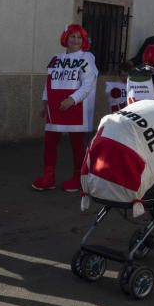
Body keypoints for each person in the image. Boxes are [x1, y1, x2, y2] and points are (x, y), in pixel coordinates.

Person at [27, 24, 97, 192]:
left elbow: (88, 84)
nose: (76, 40)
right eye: (72, 36)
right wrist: (45, 103)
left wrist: (72, 99)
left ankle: (78, 178)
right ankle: (48, 177)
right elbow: (49, 82)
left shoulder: (87, 57)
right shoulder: (55, 58)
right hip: (55, 107)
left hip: (76, 108)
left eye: (79, 37)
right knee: (49, 142)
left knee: (77, 146)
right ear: (66, 38)